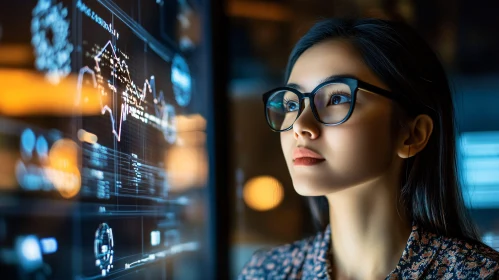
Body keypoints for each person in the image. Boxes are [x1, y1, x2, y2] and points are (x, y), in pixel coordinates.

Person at [238, 18, 499, 279]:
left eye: (336, 98)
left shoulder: (478, 275)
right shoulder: (266, 273)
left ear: (412, 134)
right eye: (292, 104)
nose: (300, 126)